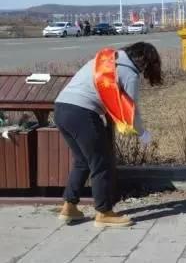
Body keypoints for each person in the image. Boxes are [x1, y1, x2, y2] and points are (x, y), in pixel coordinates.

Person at [55, 42, 162, 226]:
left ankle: (69, 207)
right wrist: (142, 134)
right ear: (145, 62)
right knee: (101, 163)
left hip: (61, 108)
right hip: (82, 112)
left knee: (82, 161)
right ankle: (104, 213)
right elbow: (131, 111)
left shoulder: (106, 59)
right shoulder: (130, 73)